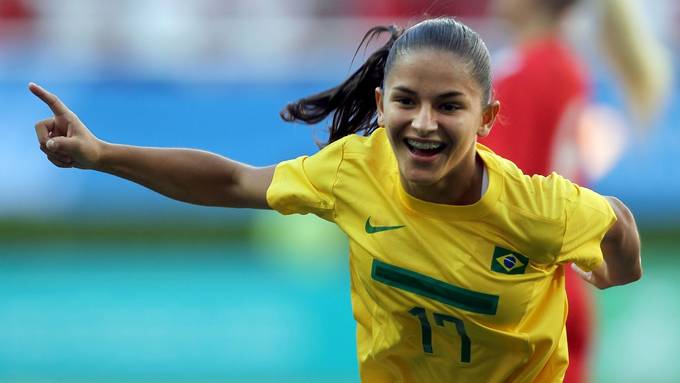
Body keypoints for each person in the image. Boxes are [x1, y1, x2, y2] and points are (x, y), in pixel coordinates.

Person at [30, 17, 642, 382]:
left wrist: (610, 272)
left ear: (488, 118)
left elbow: (616, 227)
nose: (423, 123)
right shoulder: (353, 169)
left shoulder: (539, 209)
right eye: (406, 101)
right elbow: (234, 181)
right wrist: (102, 155)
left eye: (449, 106)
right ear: (381, 106)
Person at [483, 1, 671, 381]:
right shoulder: (554, 63)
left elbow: (504, 188)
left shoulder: (534, 68)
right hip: (550, 282)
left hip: (527, 291)